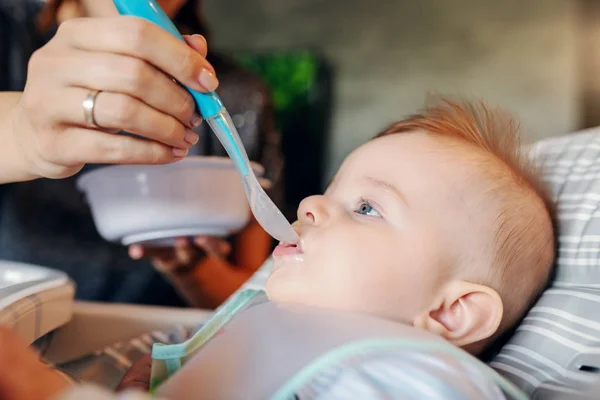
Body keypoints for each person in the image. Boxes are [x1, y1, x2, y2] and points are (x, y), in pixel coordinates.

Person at [0, 98, 555, 399]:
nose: (311, 203)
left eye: (367, 208)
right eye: (333, 189)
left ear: (450, 311)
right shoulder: (268, 329)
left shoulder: (403, 374)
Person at [0, 0, 283, 308]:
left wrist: (193, 270)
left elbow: (258, 303)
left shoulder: (237, 95)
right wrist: (20, 132)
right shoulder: (9, 34)